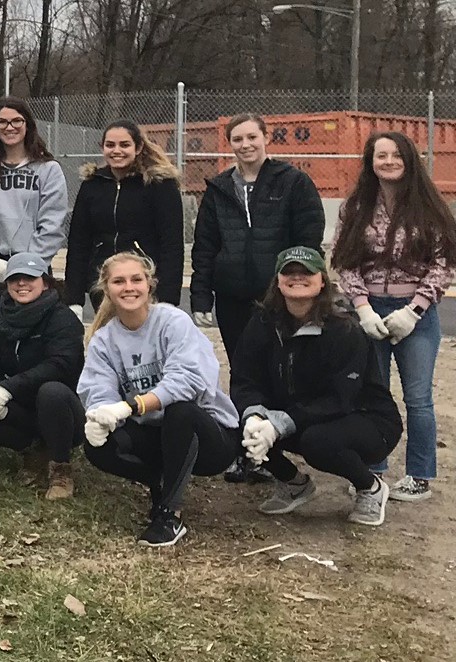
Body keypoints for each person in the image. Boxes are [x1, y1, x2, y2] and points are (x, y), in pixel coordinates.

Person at [79, 252, 240, 547]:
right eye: (119, 281)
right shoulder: (104, 339)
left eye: (136, 279)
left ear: (149, 284)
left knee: (180, 412)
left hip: (209, 437)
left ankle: (170, 514)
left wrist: (131, 406)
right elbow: (97, 387)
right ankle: (159, 484)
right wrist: (99, 414)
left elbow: (188, 382)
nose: (129, 287)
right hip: (156, 434)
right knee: (98, 446)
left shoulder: (173, 322)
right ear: (107, 289)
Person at [231, 247, 401, 527]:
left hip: (365, 419)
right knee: (236, 424)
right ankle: (293, 484)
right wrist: (255, 416)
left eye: (306, 272)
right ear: (278, 282)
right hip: (299, 415)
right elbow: (245, 378)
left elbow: (341, 398)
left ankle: (370, 487)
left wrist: (281, 423)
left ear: (322, 281)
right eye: (289, 272)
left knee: (318, 441)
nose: (297, 278)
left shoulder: (344, 329)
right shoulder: (263, 322)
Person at [333, 131, 452, 503]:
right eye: (380, 155)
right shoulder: (355, 207)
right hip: (369, 314)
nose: (388, 162)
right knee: (372, 393)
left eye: (395, 155)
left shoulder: (430, 207)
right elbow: (344, 259)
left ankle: (419, 475)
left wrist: (414, 310)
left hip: (415, 316)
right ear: (370, 162)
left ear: (409, 159)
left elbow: (443, 263)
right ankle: (373, 467)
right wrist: (363, 307)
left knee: (418, 399)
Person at [190, 113, 324, 351]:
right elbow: (205, 247)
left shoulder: (293, 182)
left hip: (280, 295)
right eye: (237, 139)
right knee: (241, 366)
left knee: (283, 363)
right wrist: (201, 298)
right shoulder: (218, 189)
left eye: (252, 137)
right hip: (231, 299)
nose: (245, 145)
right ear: (230, 143)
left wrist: (299, 285)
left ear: (266, 137)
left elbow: (308, 239)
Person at [0, 254, 85, 499]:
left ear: (45, 282)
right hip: (20, 408)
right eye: (15, 278)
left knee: (52, 391)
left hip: (63, 411)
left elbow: (61, 365)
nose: (21, 284)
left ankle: (61, 468)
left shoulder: (63, 318)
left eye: (30, 277)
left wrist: (7, 388)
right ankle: (33, 451)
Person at [0, 98, 68, 360]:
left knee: (36, 345)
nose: (10, 127)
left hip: (34, 268)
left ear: (28, 125)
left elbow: (53, 222)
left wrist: (30, 264)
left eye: (16, 120)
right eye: (3, 122)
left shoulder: (48, 170)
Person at [65, 121, 184, 317]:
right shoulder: (92, 185)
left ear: (138, 148)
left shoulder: (160, 185)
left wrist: (168, 299)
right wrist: (74, 299)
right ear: (102, 148)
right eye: (110, 145)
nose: (116, 151)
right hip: (104, 283)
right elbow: (79, 242)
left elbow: (171, 243)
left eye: (124, 145)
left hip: (144, 283)